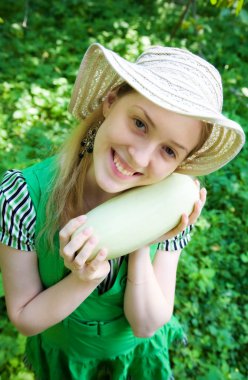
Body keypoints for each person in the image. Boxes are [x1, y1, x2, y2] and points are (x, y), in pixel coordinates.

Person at [0, 44, 245, 380]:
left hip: (133, 359)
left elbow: (146, 325)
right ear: (111, 102)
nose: (140, 158)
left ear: (180, 164)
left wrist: (143, 240)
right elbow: (25, 318)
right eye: (140, 123)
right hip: (67, 358)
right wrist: (85, 278)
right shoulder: (21, 198)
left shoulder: (173, 211)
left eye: (169, 150)